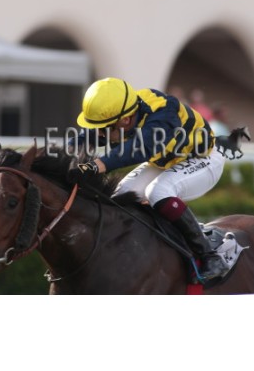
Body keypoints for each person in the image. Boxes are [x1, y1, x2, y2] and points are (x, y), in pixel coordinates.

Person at [69, 77, 229, 281]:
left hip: (204, 159)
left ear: (125, 120)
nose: (99, 134)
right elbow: (86, 138)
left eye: (104, 128)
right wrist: (61, 154)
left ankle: (210, 256)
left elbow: (141, 148)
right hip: (167, 160)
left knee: (157, 192)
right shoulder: (122, 113)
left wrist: (95, 166)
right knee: (119, 197)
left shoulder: (163, 113)